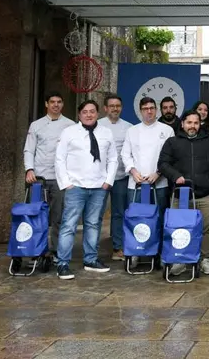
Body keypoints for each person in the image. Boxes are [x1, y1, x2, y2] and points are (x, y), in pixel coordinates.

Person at [54, 100, 118, 280]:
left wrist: (108, 181)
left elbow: (113, 158)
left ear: (98, 113)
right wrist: (66, 183)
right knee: (69, 225)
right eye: (85, 112)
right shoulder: (69, 132)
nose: (89, 114)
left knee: (93, 224)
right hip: (76, 186)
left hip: (99, 187)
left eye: (92, 111)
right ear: (79, 115)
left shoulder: (106, 133)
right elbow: (59, 159)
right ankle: (63, 263)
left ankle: (90, 259)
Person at [158, 110, 209, 276]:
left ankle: (204, 259)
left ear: (200, 124)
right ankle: (180, 260)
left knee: (205, 229)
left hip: (205, 195)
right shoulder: (172, 142)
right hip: (181, 196)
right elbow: (163, 164)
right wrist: (176, 176)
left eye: (196, 123)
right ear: (182, 124)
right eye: (189, 123)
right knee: (179, 229)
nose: (192, 126)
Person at [121, 97, 175, 262]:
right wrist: (133, 170)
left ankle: (158, 252)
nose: (149, 111)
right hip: (136, 182)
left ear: (156, 110)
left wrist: (158, 173)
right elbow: (125, 154)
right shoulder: (132, 130)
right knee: (136, 218)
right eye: (145, 108)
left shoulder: (166, 130)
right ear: (140, 110)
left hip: (159, 182)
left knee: (158, 218)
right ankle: (135, 252)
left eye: (152, 108)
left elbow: (171, 156)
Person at [23, 91, 75, 258]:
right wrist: (29, 169)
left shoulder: (70, 125)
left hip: (60, 179)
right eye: (52, 102)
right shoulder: (36, 125)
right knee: (37, 214)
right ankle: (36, 249)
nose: (56, 105)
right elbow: (29, 149)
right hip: (39, 178)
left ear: (63, 104)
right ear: (46, 104)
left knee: (58, 217)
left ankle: (56, 251)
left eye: (59, 101)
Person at [97, 94, 133, 262]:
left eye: (118, 105)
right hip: (99, 178)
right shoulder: (96, 126)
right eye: (111, 106)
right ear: (105, 108)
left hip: (121, 177)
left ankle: (118, 248)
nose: (115, 108)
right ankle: (91, 249)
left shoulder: (129, 127)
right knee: (95, 214)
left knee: (119, 213)